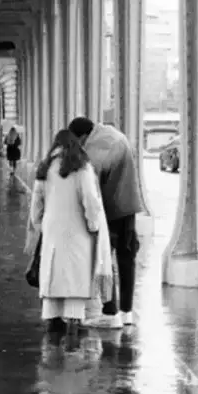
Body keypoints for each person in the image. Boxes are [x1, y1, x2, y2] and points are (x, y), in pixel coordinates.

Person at [28, 130, 109, 335]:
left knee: (53, 279)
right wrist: (93, 225)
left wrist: (41, 226)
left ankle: (53, 333)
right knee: (74, 281)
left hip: (52, 231)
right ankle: (73, 337)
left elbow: (36, 204)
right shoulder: (82, 167)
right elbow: (90, 200)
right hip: (78, 233)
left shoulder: (45, 167)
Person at [68, 116, 145, 328]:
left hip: (110, 209)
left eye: (77, 141)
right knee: (126, 258)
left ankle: (110, 312)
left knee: (103, 259)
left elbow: (91, 183)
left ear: (82, 136)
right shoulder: (111, 133)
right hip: (129, 206)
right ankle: (127, 312)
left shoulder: (96, 145)